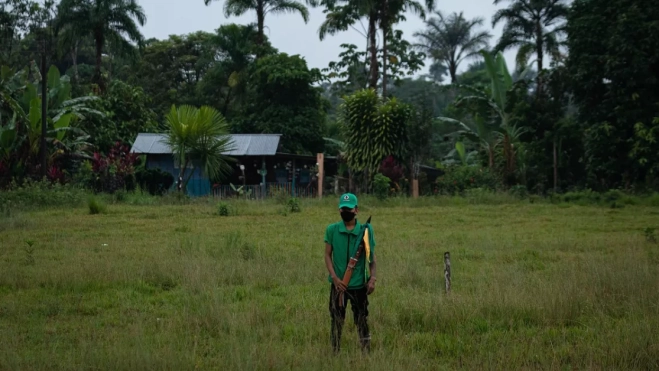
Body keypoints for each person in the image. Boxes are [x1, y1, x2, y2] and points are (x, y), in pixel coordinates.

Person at [324, 193, 377, 354]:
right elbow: (327, 255)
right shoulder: (332, 230)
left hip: (359, 285)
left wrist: (372, 278)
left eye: (349, 208)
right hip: (338, 285)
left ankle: (366, 351)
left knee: (361, 319)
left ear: (356, 210)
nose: (345, 211)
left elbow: (371, 258)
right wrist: (335, 278)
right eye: (343, 209)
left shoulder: (365, 231)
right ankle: (335, 351)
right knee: (336, 320)